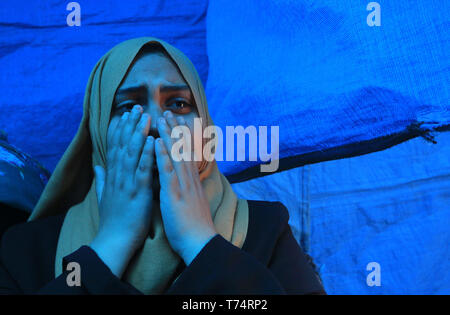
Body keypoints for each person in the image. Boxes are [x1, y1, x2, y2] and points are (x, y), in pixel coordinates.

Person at [0, 37, 325, 295]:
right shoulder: (27, 249)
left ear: (205, 128)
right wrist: (111, 243)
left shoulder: (265, 230)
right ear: (98, 131)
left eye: (178, 104)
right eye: (128, 106)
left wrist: (200, 242)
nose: (155, 123)